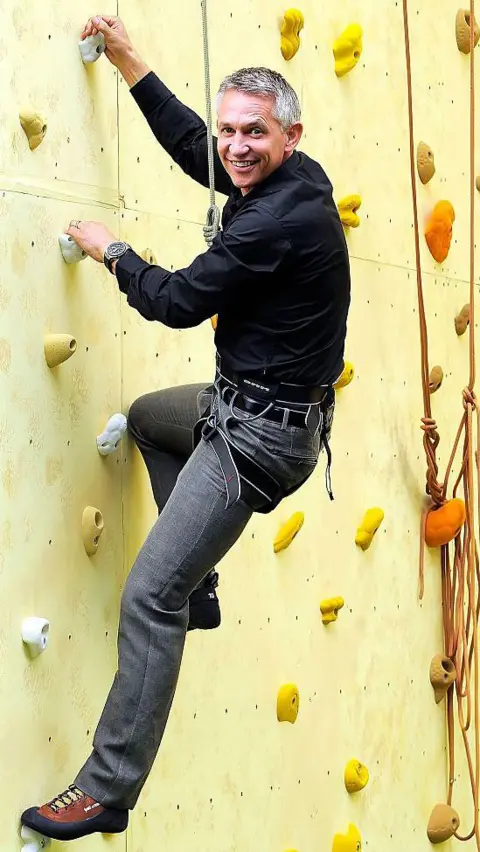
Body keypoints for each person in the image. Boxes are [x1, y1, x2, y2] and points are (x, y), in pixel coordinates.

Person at [21, 13, 351, 842]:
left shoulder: (277, 223)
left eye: (255, 133)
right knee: (151, 421)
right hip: (238, 406)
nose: (236, 146)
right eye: (232, 128)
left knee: (146, 595)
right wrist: (132, 62)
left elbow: (172, 301)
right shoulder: (291, 179)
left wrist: (108, 247)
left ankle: (106, 789)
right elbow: (196, 147)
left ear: (292, 133)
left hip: (256, 440)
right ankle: (196, 582)